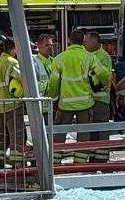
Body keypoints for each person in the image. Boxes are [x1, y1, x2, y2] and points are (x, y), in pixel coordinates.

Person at [47, 28, 98, 152]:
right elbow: (101, 76)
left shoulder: (59, 58)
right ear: (83, 42)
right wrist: (96, 91)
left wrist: (52, 96)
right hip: (85, 104)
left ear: (69, 41)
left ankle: (56, 160)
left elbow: (53, 81)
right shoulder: (90, 57)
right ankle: (80, 161)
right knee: (83, 134)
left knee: (60, 133)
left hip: (65, 104)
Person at [0, 38, 25, 157]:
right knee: (17, 134)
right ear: (14, 48)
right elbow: (22, 78)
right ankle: (17, 160)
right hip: (11, 105)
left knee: (1, 135)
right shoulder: (12, 62)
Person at [85, 30, 115, 161]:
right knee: (92, 131)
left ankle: (102, 158)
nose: (84, 43)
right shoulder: (89, 54)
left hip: (100, 100)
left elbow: (103, 78)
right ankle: (93, 157)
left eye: (86, 41)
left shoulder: (103, 57)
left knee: (101, 129)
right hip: (90, 100)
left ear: (94, 41)